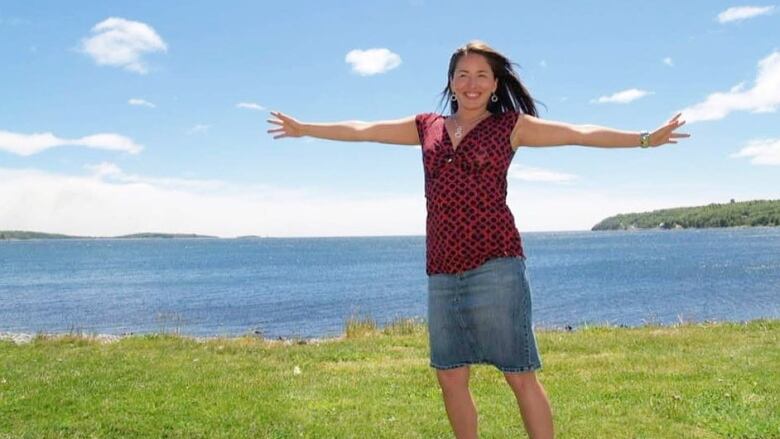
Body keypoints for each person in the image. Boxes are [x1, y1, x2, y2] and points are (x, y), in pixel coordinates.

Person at [267, 40, 689, 439]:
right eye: (463, 74)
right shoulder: (425, 126)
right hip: (443, 268)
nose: (472, 83)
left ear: (495, 83)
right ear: (451, 82)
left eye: (481, 75)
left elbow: (579, 132)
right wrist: (305, 128)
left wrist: (645, 139)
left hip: (497, 264)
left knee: (519, 373)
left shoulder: (511, 127)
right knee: (449, 374)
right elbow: (363, 129)